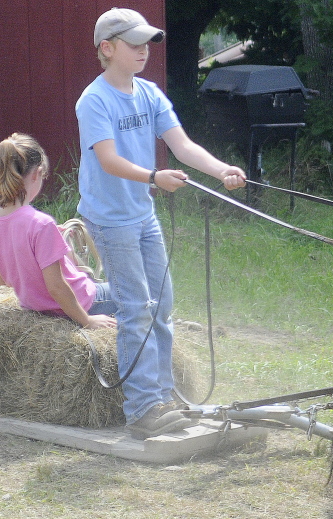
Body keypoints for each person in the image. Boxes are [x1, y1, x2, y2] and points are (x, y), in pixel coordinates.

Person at [76, 7, 246, 440]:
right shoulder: (93, 100)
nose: (144, 51)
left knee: (162, 306)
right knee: (137, 310)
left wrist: (221, 168)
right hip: (110, 220)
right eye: (134, 44)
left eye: (147, 43)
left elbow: (182, 145)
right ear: (107, 48)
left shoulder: (150, 93)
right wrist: (154, 177)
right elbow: (109, 160)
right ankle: (142, 409)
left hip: (142, 214)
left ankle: (164, 396)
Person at [0, 133, 118, 330]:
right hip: (81, 303)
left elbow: (2, 280)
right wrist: (87, 321)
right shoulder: (40, 224)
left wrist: (54, 241)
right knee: (139, 291)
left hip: (36, 310)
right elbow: (56, 287)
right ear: (36, 173)